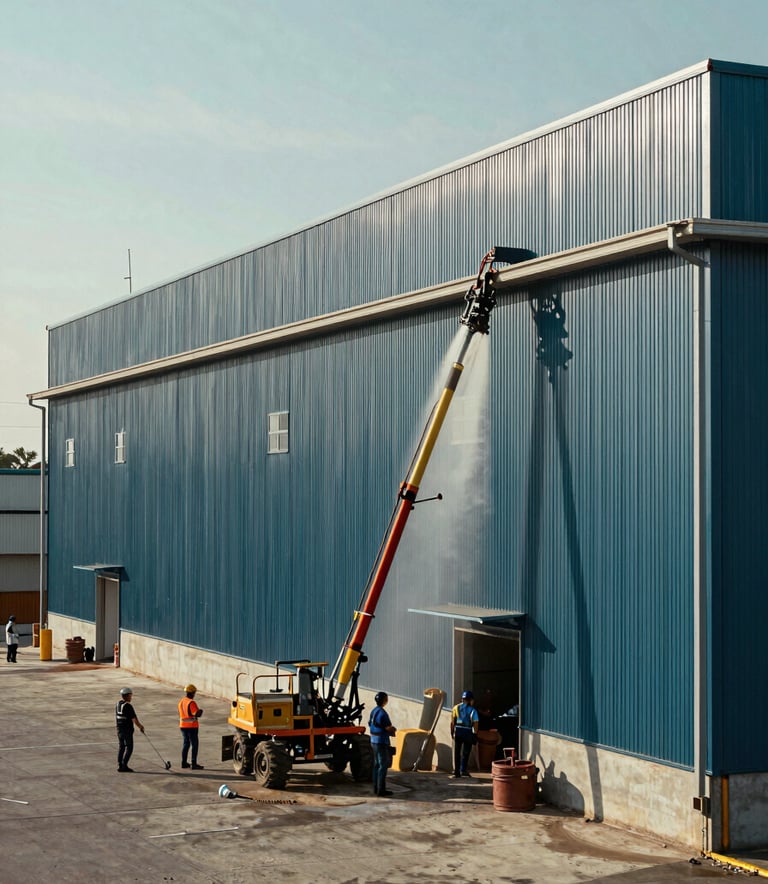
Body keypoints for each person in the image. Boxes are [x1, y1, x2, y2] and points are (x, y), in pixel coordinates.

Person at [368, 691, 396, 797]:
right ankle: (381, 790)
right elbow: (388, 727)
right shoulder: (383, 713)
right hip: (381, 741)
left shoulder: (374, 711)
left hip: (373, 741)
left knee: (376, 764)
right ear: (385, 700)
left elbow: (370, 723)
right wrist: (393, 730)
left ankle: (376, 787)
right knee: (383, 765)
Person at [450, 689, 479, 778]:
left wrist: (452, 733)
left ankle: (456, 772)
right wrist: (475, 734)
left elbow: (452, 722)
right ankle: (463, 770)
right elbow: (475, 723)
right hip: (468, 732)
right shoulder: (473, 710)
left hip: (458, 731)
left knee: (457, 752)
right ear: (470, 700)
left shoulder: (456, 708)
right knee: (466, 752)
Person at [115, 687, 144, 772]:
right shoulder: (128, 706)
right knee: (129, 747)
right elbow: (134, 719)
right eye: (130, 695)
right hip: (127, 730)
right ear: (127, 696)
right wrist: (141, 727)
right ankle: (124, 765)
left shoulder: (118, 704)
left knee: (122, 747)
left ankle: (120, 765)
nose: (131, 697)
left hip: (119, 729)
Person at [179, 683, 204, 769]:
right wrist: (200, 711)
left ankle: (184, 762)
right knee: (194, 744)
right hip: (191, 727)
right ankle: (194, 763)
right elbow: (196, 713)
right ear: (192, 693)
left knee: (186, 744)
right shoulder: (191, 702)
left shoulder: (182, 701)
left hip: (183, 726)